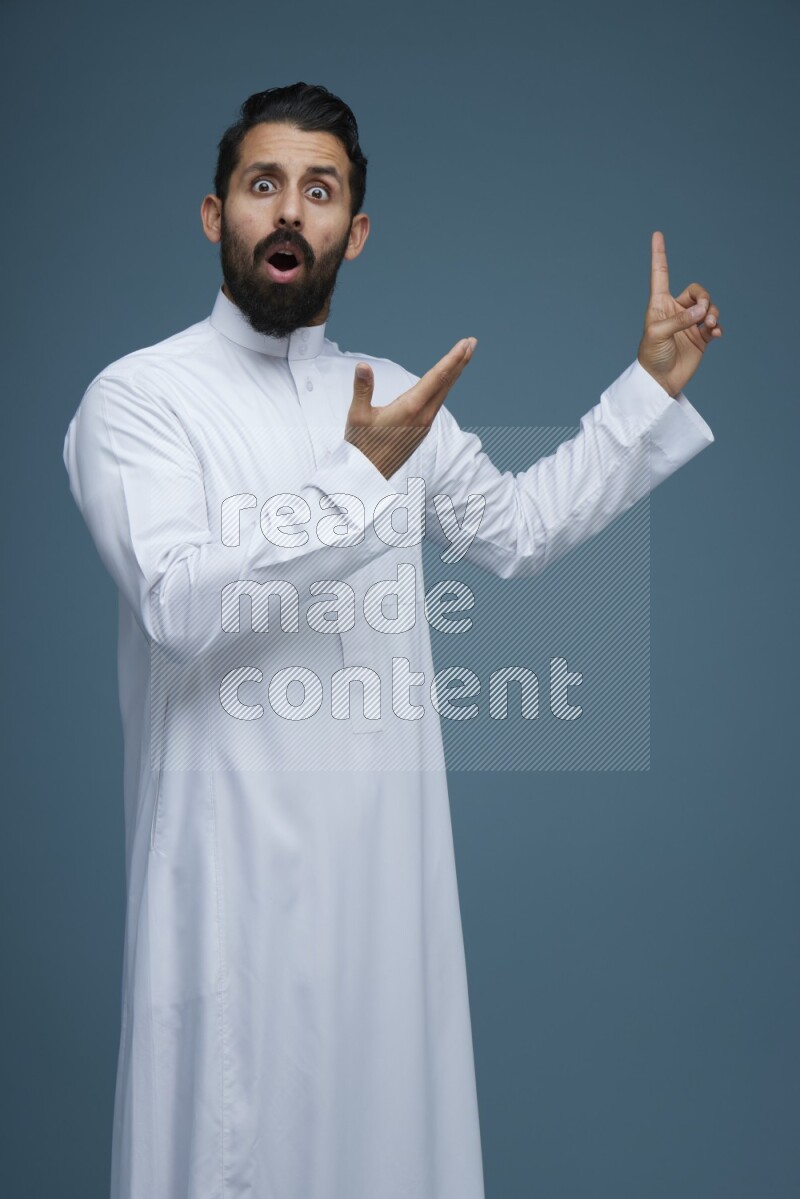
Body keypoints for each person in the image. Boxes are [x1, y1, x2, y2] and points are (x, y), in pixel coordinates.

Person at [62, 81, 722, 1199]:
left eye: (318, 192)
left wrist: (644, 391)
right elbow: (176, 601)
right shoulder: (138, 401)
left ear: (352, 232)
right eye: (262, 184)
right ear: (214, 212)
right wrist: (356, 472)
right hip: (227, 889)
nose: (289, 212)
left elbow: (518, 531)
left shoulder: (399, 406)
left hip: (384, 892)